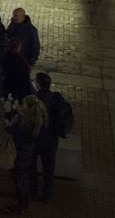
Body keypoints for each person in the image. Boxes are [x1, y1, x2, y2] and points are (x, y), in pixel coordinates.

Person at [5, 95, 47, 214]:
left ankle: (21, 206)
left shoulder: (26, 127)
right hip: (29, 154)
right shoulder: (39, 121)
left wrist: (10, 113)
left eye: (23, 105)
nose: (21, 106)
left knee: (20, 181)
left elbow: (10, 129)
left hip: (22, 156)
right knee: (24, 179)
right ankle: (24, 201)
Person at [34, 72, 72, 202]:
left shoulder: (33, 100)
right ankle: (47, 194)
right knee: (49, 169)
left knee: (31, 165)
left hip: (37, 139)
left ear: (38, 85)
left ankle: (33, 190)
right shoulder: (57, 98)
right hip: (51, 140)